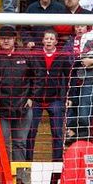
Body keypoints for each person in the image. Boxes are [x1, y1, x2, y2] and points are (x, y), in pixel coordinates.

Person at [0, 26, 34, 162]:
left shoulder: (26, 55)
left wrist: (32, 97)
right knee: (3, 144)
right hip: (1, 109)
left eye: (9, 38)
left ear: (14, 38)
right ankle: (3, 179)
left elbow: (37, 77)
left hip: (23, 107)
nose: (6, 41)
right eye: (3, 38)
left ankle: (20, 180)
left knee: (20, 144)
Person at [26, 30, 71, 162]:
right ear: (43, 41)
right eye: (47, 38)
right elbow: (28, 77)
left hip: (55, 99)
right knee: (31, 131)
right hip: (36, 99)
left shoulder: (62, 56)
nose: (49, 41)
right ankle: (27, 163)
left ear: (56, 41)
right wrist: (29, 96)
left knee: (57, 133)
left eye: (52, 39)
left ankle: (57, 163)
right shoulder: (35, 55)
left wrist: (67, 97)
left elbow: (69, 77)